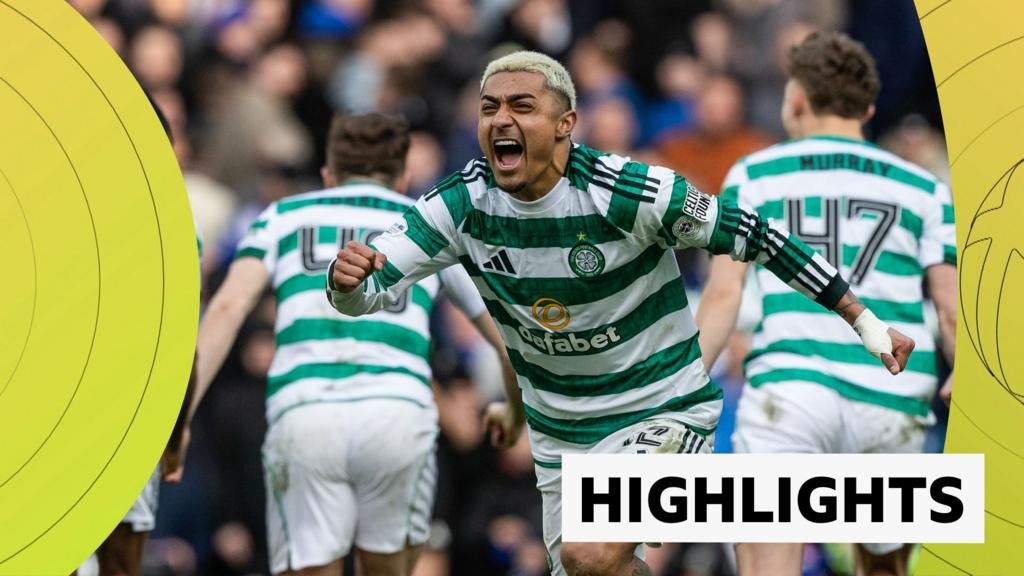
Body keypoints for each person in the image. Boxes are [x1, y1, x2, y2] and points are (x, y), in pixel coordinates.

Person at [326, 51, 915, 576]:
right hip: (560, 432)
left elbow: (760, 237)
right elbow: (367, 286)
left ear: (565, 124)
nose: (501, 119)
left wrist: (862, 320)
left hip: (660, 407)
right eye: (489, 107)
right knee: (590, 569)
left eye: (521, 106)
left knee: (589, 553)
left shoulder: (630, 193)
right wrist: (344, 281)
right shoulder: (458, 204)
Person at [190, 112, 514, 576]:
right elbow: (506, 336)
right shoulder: (428, 224)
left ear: (328, 175)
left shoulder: (281, 216)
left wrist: (182, 419)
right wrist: (514, 412)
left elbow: (225, 309)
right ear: (403, 177)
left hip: (306, 411)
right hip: (396, 412)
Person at [695, 31, 956, 576]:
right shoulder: (925, 187)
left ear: (796, 100)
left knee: (769, 561)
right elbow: (949, 307)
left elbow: (723, 293)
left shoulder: (755, 175)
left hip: (791, 390)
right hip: (893, 389)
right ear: (867, 109)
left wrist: (682, 385)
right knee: (885, 567)